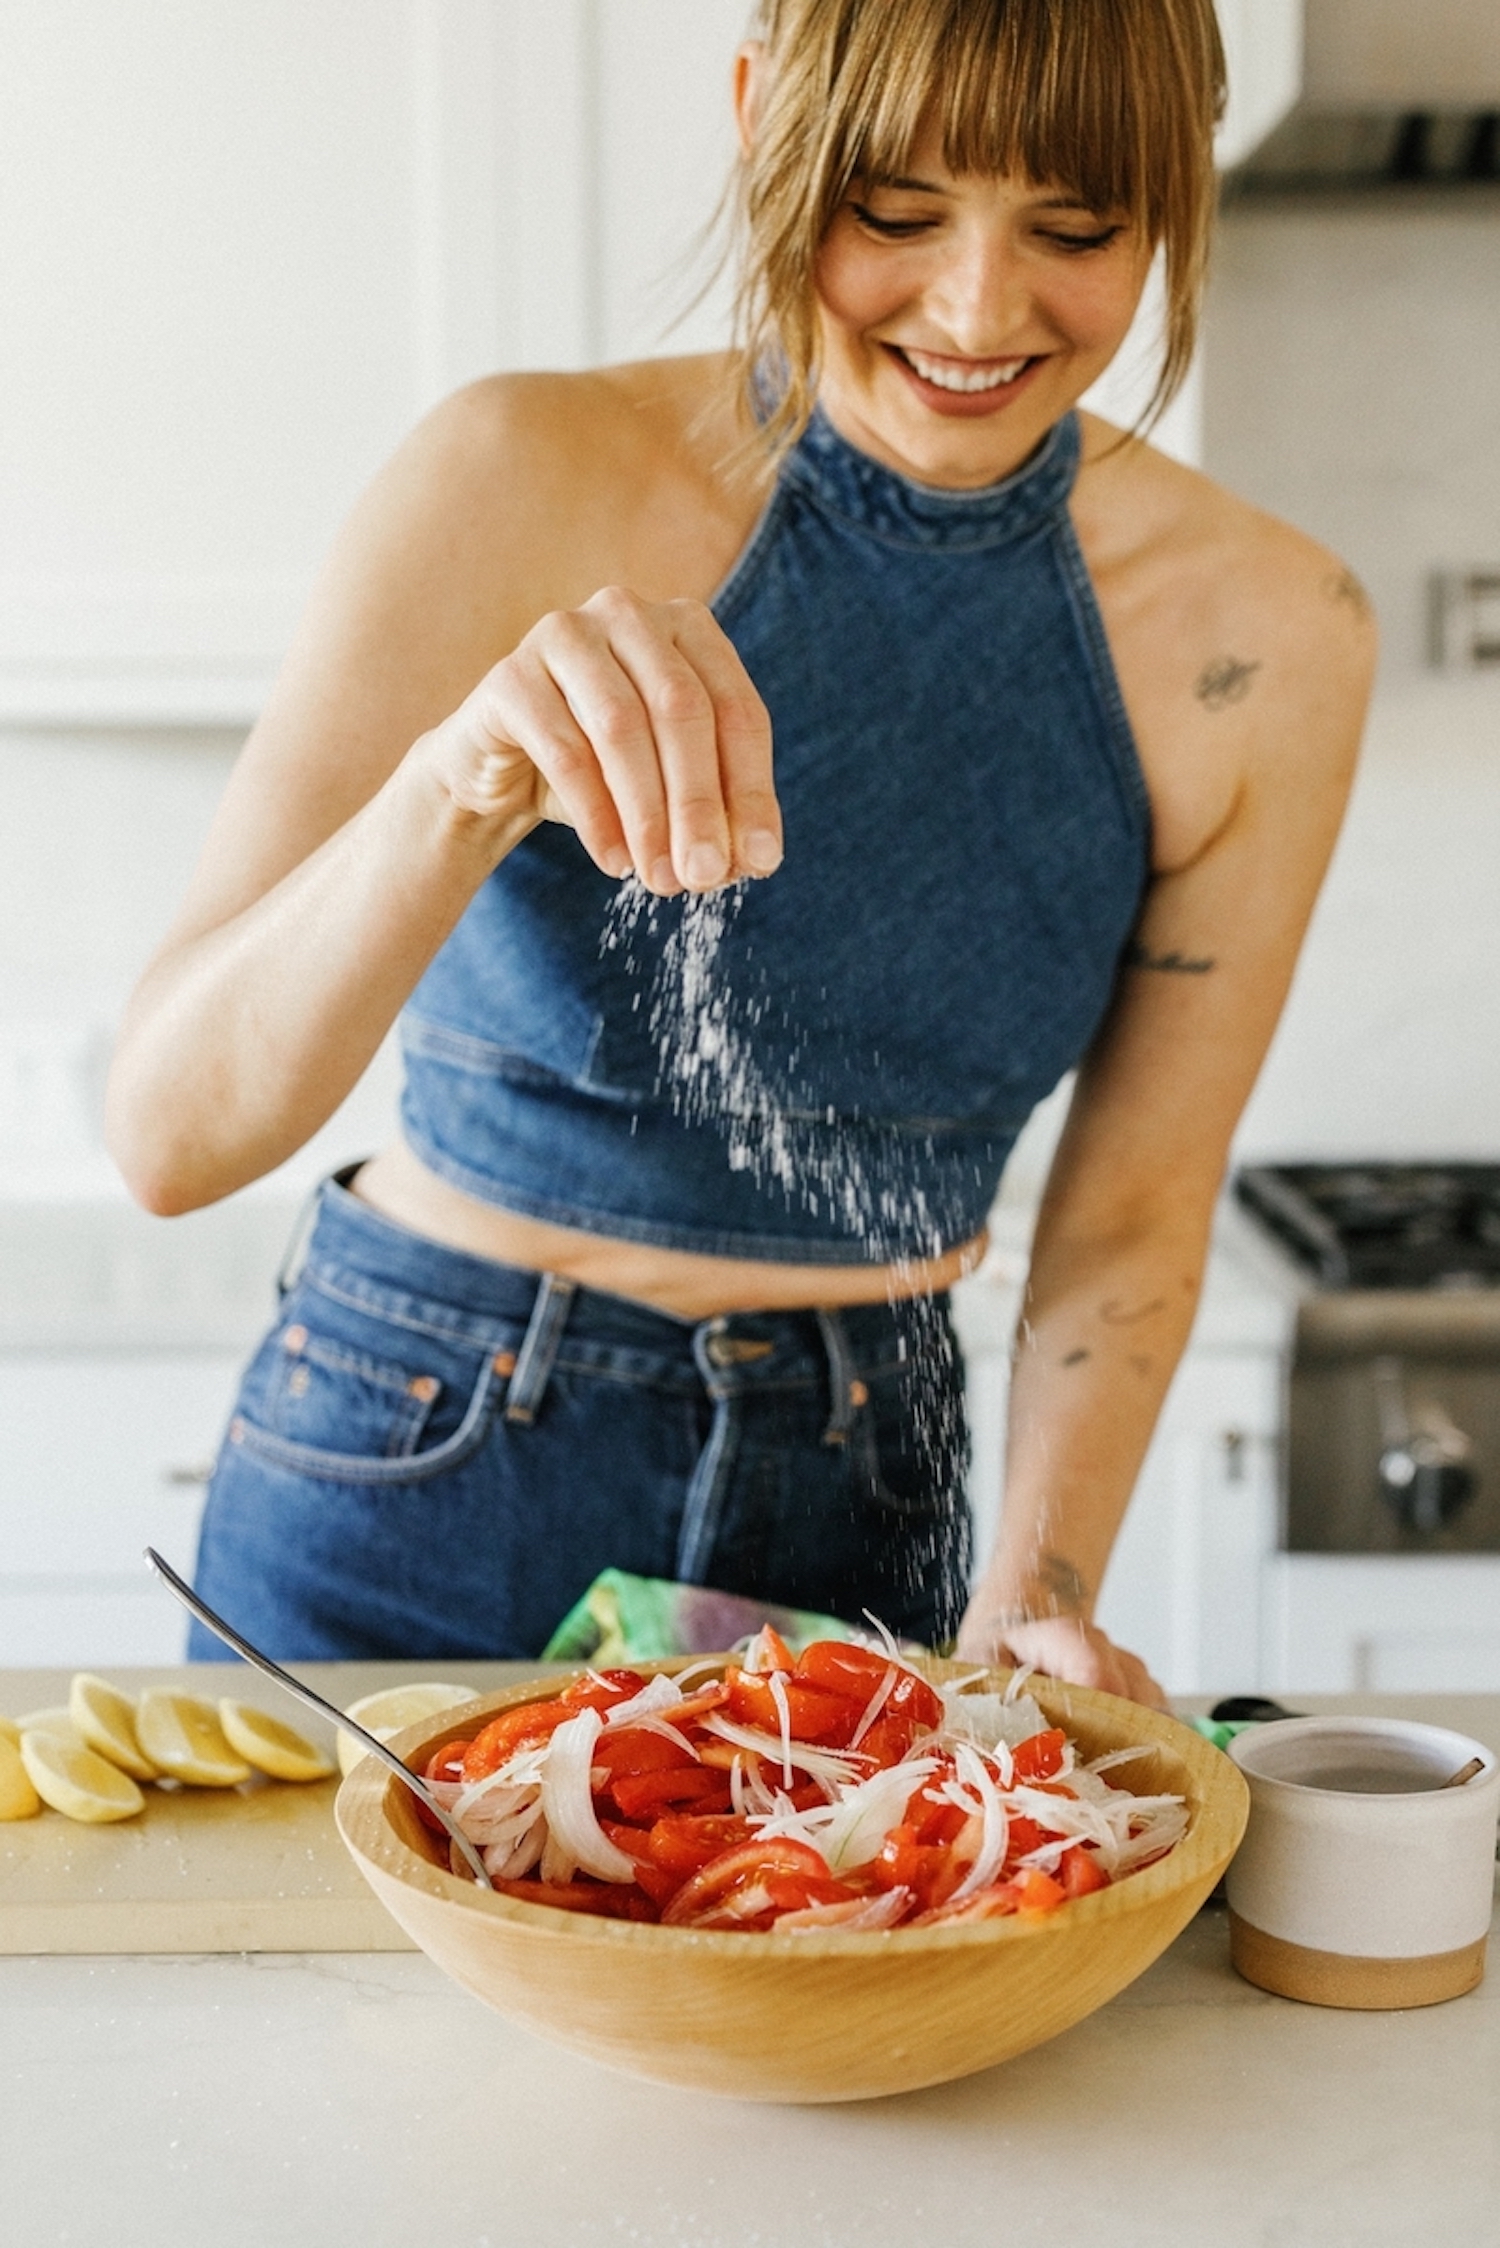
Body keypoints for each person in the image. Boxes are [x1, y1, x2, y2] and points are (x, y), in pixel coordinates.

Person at [106, 0, 1373, 1702]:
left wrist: (1035, 1587)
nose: (978, 309)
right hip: (429, 1440)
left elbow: (1134, 1211)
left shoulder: (1277, 634)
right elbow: (175, 1133)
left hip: (873, 1489)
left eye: (1079, 227)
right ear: (760, 119)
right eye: (897, 214)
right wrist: (457, 781)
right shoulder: (510, 474)